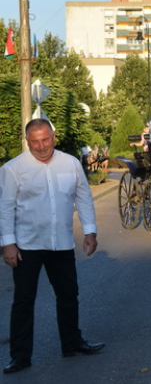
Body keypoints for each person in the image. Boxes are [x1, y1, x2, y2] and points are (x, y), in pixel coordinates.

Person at [0, 119, 104, 374]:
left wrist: (90, 231)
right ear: (27, 141)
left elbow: (83, 197)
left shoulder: (70, 163)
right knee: (23, 301)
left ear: (53, 137)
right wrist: (8, 244)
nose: (41, 146)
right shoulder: (13, 168)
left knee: (69, 295)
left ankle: (72, 343)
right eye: (34, 141)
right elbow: (5, 207)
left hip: (61, 244)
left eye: (45, 140)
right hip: (27, 245)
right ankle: (20, 356)